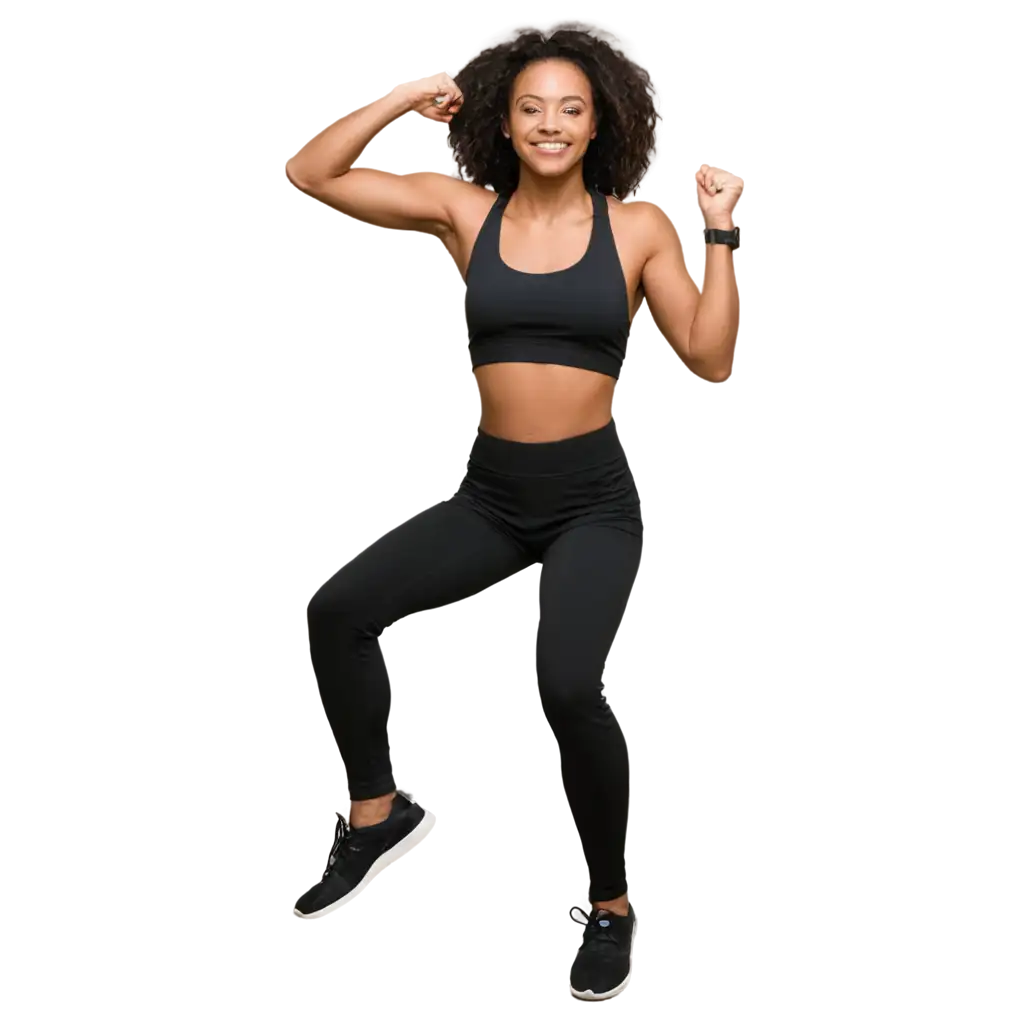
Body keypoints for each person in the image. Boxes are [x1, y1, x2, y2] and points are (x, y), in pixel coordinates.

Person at [279, 18, 743, 1002]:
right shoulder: (462, 211)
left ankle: (608, 904)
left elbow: (706, 355)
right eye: (530, 106)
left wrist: (720, 226)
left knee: (568, 683)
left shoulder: (636, 227)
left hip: (589, 503)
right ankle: (375, 818)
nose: (549, 123)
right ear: (500, 117)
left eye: (570, 109)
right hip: (489, 495)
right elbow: (310, 173)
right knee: (336, 608)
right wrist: (408, 98)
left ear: (598, 123)